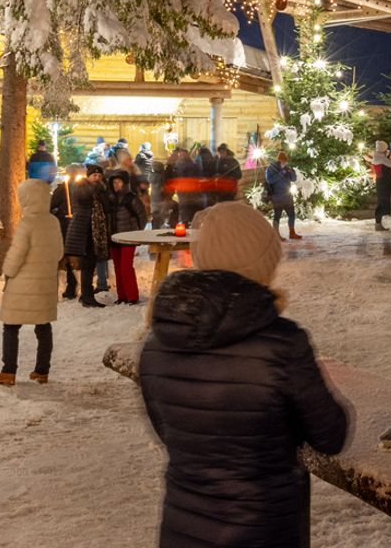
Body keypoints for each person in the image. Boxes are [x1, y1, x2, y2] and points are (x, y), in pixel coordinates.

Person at [137, 200, 350, 547]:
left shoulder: (158, 342)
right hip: (262, 528)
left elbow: (169, 431)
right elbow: (331, 436)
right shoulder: (282, 344)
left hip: (184, 527)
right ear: (260, 266)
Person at [0, 176, 59, 386]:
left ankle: (8, 371)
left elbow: (17, 253)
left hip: (23, 283)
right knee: (43, 326)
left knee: (11, 327)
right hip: (45, 281)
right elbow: (59, 251)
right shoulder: (53, 221)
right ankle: (42, 371)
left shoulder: (27, 222)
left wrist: (8, 271)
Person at [102, 167, 147, 306]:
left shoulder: (131, 198)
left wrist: (136, 232)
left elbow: (142, 216)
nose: (116, 185)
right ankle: (122, 295)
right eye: (114, 183)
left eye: (119, 183)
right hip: (115, 238)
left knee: (126, 266)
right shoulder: (111, 199)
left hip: (128, 238)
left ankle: (132, 295)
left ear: (125, 183)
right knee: (117, 267)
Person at [62, 167, 104, 307]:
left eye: (99, 175)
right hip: (83, 230)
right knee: (87, 263)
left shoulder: (99, 189)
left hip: (92, 230)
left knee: (90, 263)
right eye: (94, 175)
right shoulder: (82, 187)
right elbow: (84, 196)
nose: (97, 178)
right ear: (88, 177)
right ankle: (87, 296)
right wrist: (96, 187)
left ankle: (86, 295)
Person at [263, 150, 300, 240]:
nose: (284, 163)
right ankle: (276, 235)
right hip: (277, 196)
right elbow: (269, 180)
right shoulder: (271, 168)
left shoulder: (287, 168)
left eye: (286, 161)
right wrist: (281, 173)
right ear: (279, 160)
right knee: (277, 215)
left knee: (291, 214)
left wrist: (291, 172)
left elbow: (294, 179)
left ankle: (292, 232)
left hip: (287, 196)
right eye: (283, 161)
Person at [369, 140, 391, 231]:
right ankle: (378, 224)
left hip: (381, 181)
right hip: (384, 182)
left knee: (382, 202)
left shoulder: (378, 156)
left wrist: (389, 154)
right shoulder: (381, 159)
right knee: (382, 203)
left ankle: (379, 223)